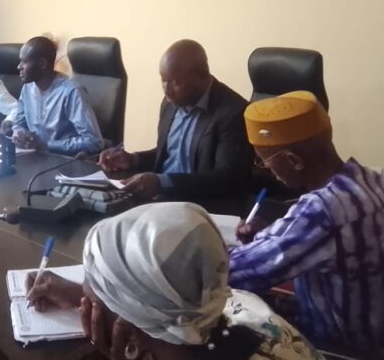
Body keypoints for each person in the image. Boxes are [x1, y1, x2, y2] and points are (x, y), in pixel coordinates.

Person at [26, 202, 322, 360]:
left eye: (91, 295)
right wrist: (79, 293)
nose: (84, 304)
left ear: (129, 335)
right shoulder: (232, 302)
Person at [230, 91, 384, 355]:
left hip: (338, 348)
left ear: (293, 160)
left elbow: (238, 273)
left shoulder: (321, 211)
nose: (267, 171)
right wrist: (266, 237)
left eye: (264, 162)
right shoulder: (374, 179)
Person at [98, 39, 252, 200]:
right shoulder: (170, 103)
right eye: (164, 80)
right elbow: (168, 154)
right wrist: (132, 159)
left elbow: (226, 179)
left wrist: (162, 182)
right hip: (160, 198)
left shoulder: (233, 112)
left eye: (176, 82)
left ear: (202, 74)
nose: (167, 90)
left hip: (199, 203)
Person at [6, 36, 103, 156]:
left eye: (24, 62)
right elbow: (19, 123)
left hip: (63, 159)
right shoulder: (28, 88)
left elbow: (94, 141)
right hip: (34, 156)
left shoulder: (71, 91)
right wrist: (19, 133)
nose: (19, 66)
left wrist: (47, 145)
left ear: (42, 64)